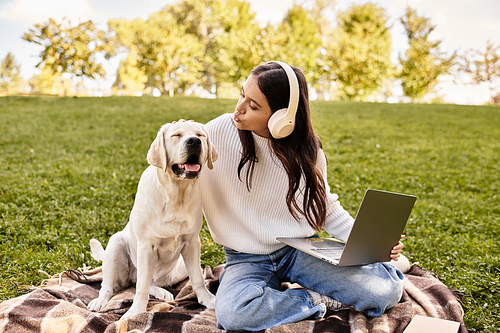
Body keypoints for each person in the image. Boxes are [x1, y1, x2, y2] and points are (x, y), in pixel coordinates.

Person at [198, 61, 406, 332]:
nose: (239, 109)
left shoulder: (309, 154)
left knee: (384, 292)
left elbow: (326, 208)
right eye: (242, 95)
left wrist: (372, 243)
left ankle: (374, 270)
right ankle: (318, 300)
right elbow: (179, 154)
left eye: (254, 105)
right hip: (244, 257)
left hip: (298, 248)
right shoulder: (217, 130)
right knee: (234, 316)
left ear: (282, 117)